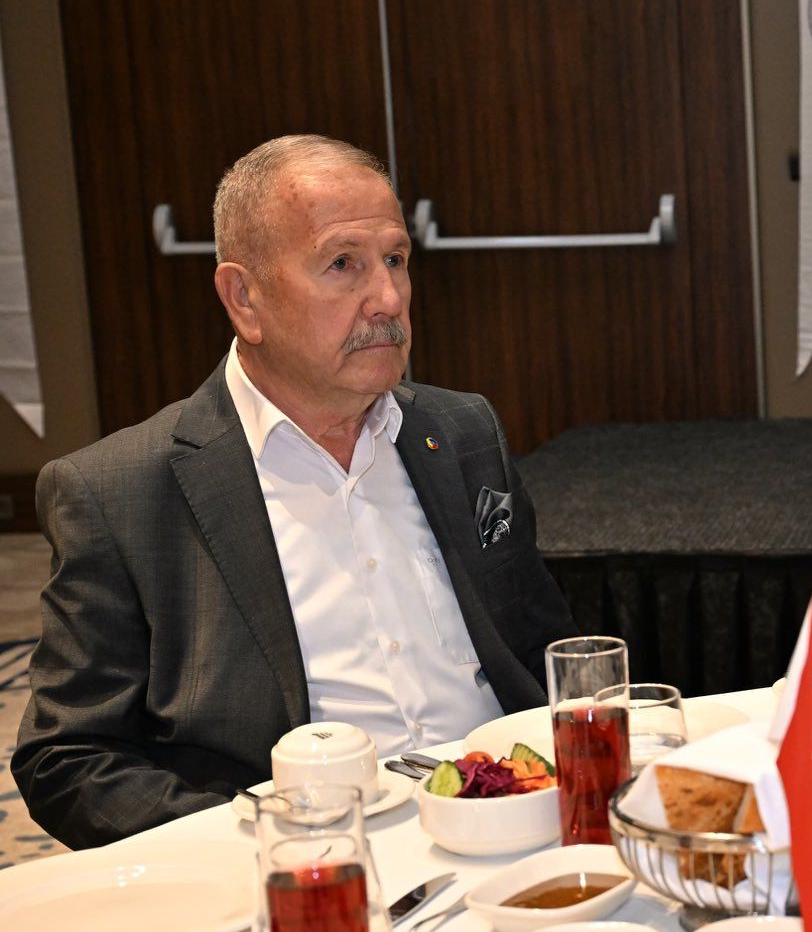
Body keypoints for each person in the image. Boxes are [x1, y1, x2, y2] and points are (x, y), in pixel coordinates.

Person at [14, 135, 577, 847]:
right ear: (244, 298)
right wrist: (263, 846)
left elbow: (546, 653)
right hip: (303, 859)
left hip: (515, 815)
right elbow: (67, 757)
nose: (388, 298)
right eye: (343, 264)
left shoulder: (463, 432)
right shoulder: (117, 493)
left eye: (395, 260)